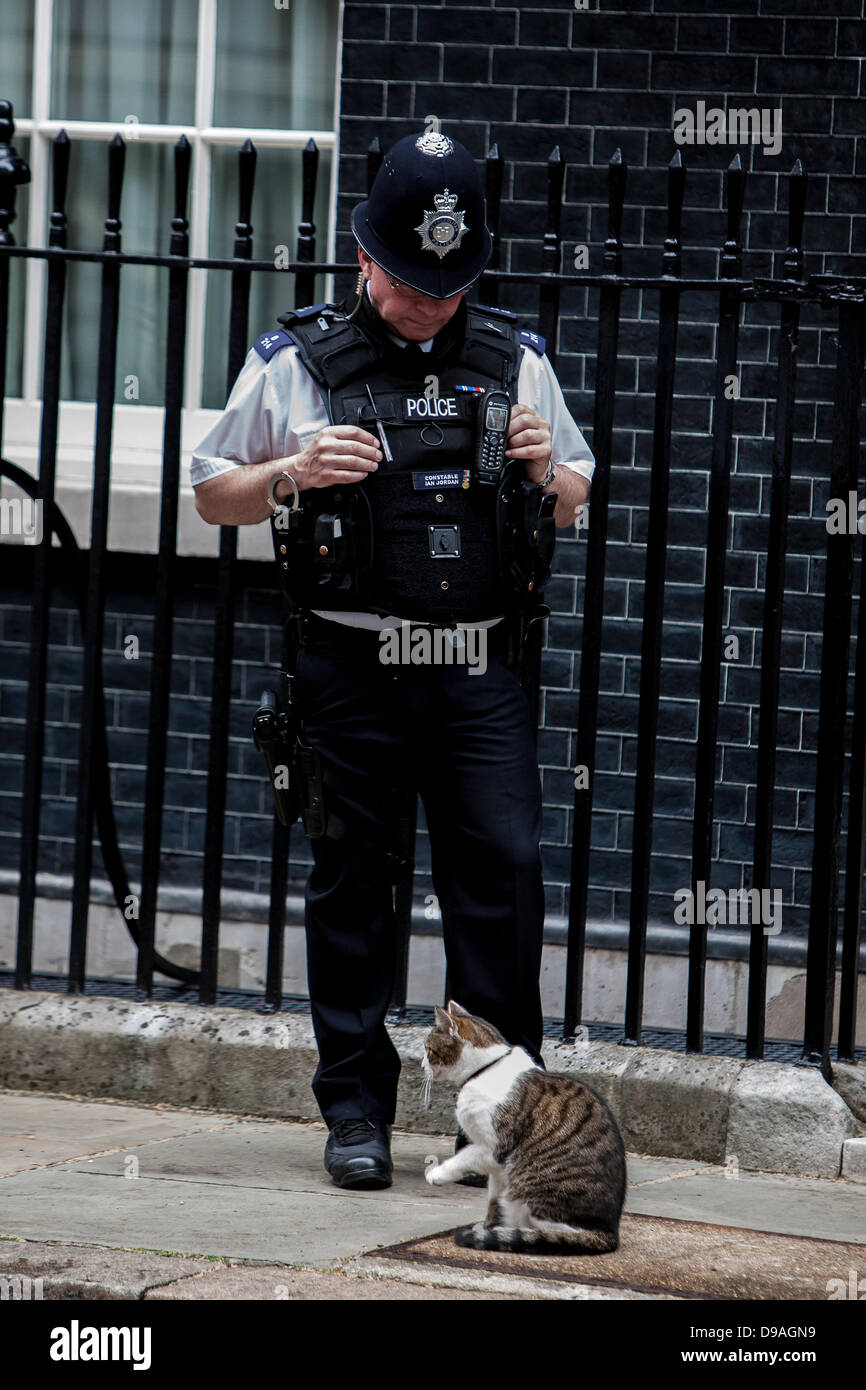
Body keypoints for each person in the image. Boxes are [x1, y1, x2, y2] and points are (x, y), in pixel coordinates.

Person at [191, 129, 595, 1190]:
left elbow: (578, 491)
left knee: (499, 882)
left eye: (448, 284)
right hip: (352, 667)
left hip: (476, 670)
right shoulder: (297, 361)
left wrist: (544, 463)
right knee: (352, 890)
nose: (429, 304)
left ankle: (503, 1118)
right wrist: (288, 469)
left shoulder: (515, 357)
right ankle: (355, 1110)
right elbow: (208, 493)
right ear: (366, 259)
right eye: (412, 283)